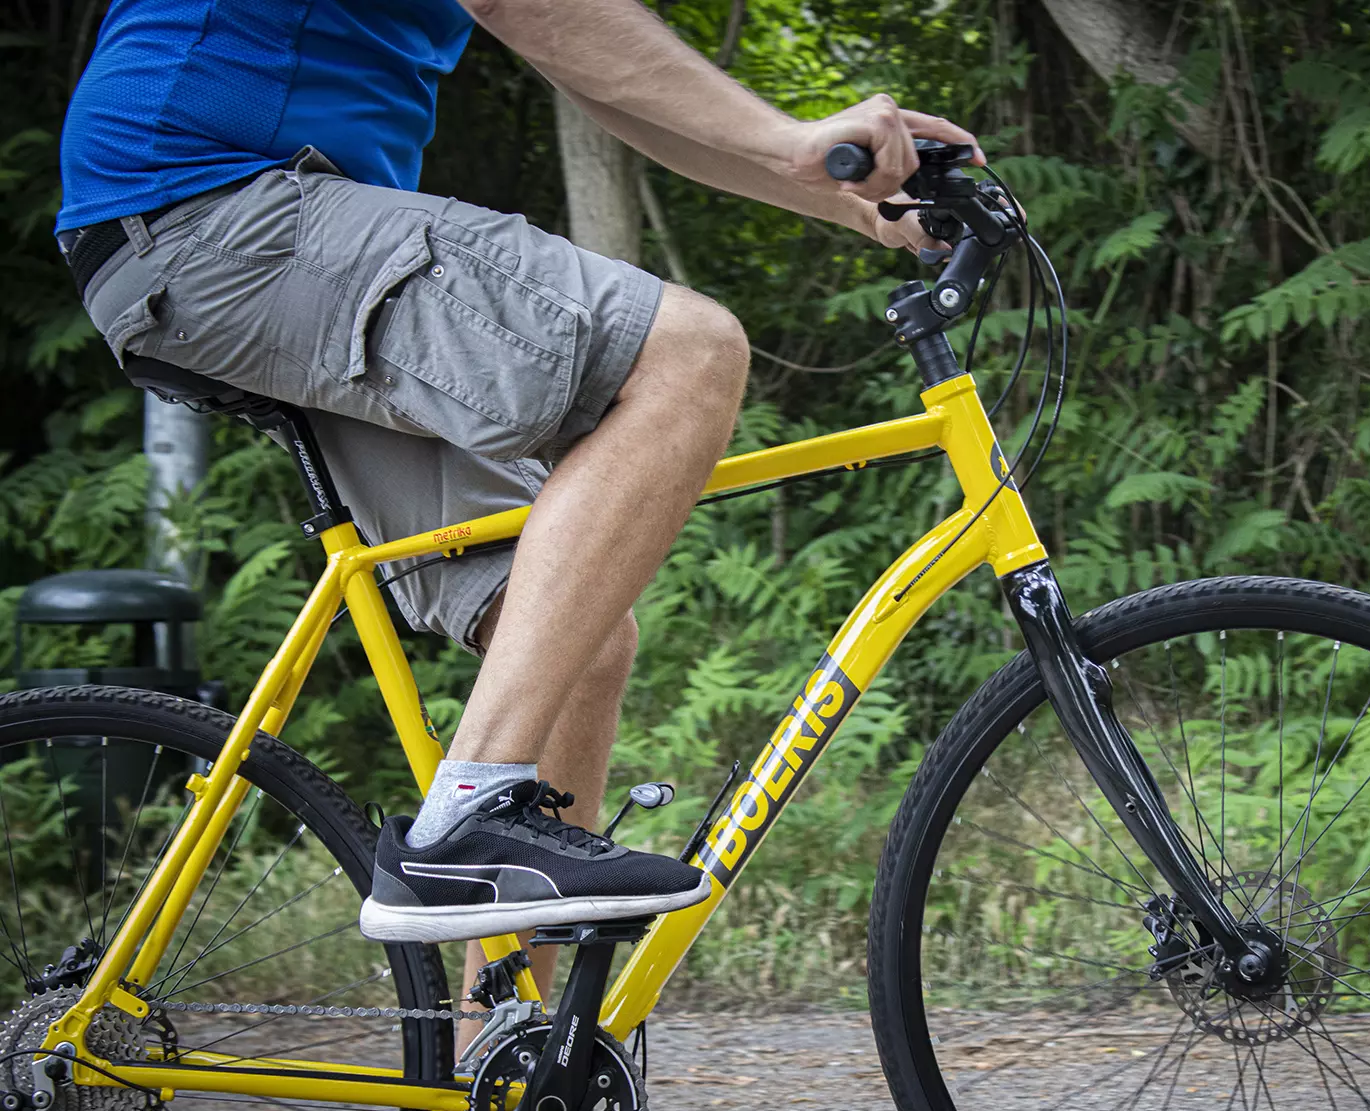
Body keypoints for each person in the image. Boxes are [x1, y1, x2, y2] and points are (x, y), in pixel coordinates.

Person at [56, 0, 985, 1008]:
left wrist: (823, 185)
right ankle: (464, 818)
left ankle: (498, 1078)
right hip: (213, 206)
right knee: (688, 352)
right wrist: (790, 136)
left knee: (577, 630)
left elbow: (597, 73)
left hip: (242, 224)